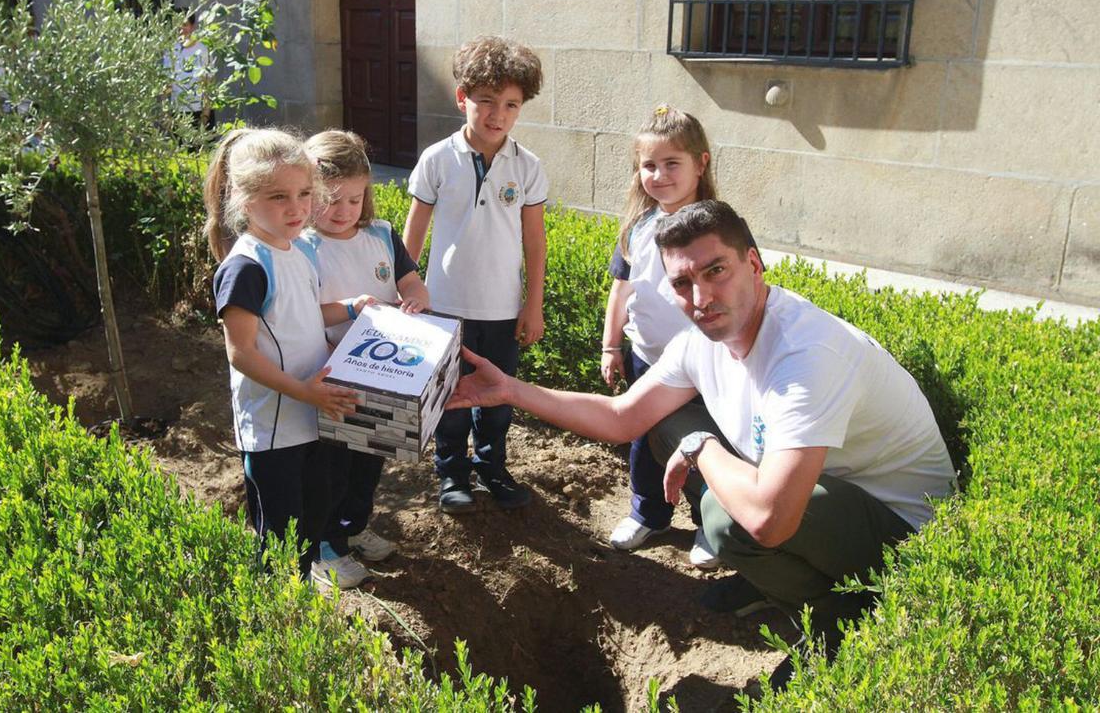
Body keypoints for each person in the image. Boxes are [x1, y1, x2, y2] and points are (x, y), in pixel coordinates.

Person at [447, 200, 956, 687]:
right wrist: (510, 390)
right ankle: (786, 586)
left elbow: (771, 519)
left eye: (716, 271)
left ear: (753, 264)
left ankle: (839, 621)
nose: (701, 298)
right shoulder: (702, 342)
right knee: (675, 432)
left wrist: (701, 447)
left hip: (908, 536)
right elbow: (623, 416)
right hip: (833, 498)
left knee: (726, 515)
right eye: (682, 283)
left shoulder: (806, 357)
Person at [205, 127, 368, 580]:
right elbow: (241, 352)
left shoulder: (297, 250)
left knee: (314, 515)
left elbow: (302, 315)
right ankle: (277, 609)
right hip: (274, 428)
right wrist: (304, 391)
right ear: (243, 199)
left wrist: (350, 307)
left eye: (303, 193)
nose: (296, 208)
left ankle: (298, 598)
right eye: (278, 197)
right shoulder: (245, 267)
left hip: (313, 413)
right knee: (280, 538)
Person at [402, 35, 547, 513]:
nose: (497, 114)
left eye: (510, 105)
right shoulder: (436, 159)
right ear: (462, 97)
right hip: (444, 307)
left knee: (497, 399)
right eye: (486, 100)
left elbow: (535, 241)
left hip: (501, 310)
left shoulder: (528, 167)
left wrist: (532, 305)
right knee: (449, 397)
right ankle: (451, 474)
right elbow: (414, 232)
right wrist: (402, 292)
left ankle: (493, 467)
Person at [301, 129, 431, 588]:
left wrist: (416, 299)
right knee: (330, 468)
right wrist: (348, 311)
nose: (343, 211)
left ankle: (354, 526)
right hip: (330, 376)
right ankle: (325, 545)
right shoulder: (301, 247)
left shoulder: (381, 235)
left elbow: (409, 280)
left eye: (354, 200)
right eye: (331, 200)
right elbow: (300, 316)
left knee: (369, 462)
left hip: (382, 374)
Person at [602, 105, 720, 566]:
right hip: (647, 359)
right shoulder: (639, 226)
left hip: (704, 364)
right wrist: (611, 345)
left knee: (705, 444)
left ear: (701, 163)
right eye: (649, 165)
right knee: (644, 439)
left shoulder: (717, 227)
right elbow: (621, 289)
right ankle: (648, 513)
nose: (660, 175)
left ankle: (710, 522)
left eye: (673, 163)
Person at [165, 13, 213, 132]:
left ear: (192, 26)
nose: (181, 29)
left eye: (184, 25)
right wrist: (166, 113)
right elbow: (166, 84)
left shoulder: (203, 50)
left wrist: (205, 114)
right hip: (177, 112)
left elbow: (208, 83)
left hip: (198, 111)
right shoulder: (170, 50)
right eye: (177, 25)